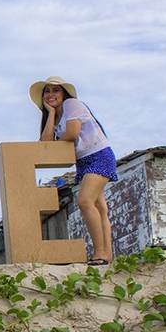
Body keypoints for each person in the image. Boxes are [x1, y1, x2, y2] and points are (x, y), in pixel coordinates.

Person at [30, 76, 117, 266]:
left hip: (99, 154)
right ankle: (107, 256)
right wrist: (51, 113)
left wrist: (58, 136)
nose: (51, 94)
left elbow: (72, 133)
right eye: (47, 91)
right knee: (100, 208)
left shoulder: (72, 104)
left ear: (64, 93)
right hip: (83, 161)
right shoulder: (58, 117)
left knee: (85, 201)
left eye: (56, 90)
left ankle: (100, 253)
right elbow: (45, 144)